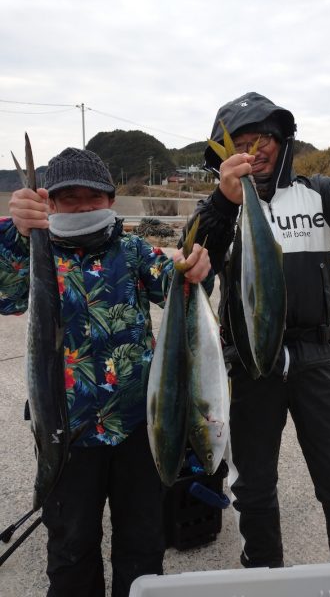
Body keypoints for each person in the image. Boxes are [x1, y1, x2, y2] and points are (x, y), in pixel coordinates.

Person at [186, 91, 330, 568]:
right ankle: (264, 578)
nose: (253, 148)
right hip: (251, 363)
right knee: (253, 489)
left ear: (283, 141)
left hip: (318, 359)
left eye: (264, 136)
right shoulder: (219, 211)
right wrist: (220, 203)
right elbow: (193, 269)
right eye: (241, 140)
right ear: (223, 155)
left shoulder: (321, 194)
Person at [0, 146, 211, 597]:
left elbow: (178, 284)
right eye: (68, 198)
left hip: (139, 426)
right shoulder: (36, 251)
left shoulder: (132, 250)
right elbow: (5, 295)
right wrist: (16, 234)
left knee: (143, 543)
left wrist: (196, 267)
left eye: (91, 197)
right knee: (71, 548)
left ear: (110, 199)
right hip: (66, 431)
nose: (81, 206)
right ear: (50, 204)